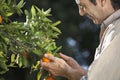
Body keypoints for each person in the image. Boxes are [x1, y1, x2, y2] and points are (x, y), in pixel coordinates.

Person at [41, 0, 120, 79]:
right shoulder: (112, 28)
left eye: (83, 6)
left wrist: (68, 72)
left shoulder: (116, 33)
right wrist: (80, 74)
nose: (81, 13)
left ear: (102, 1)